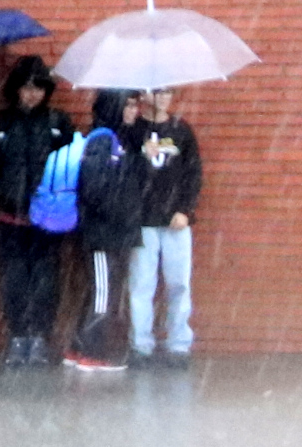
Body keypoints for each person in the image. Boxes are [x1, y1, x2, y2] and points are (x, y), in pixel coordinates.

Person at [0, 54, 69, 369]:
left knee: (45, 281)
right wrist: (1, 195)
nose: (32, 94)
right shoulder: (0, 124)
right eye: (26, 87)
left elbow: (69, 169)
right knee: (14, 281)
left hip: (48, 221)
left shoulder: (58, 124)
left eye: (38, 88)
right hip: (9, 218)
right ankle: (18, 336)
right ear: (16, 89)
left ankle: (40, 338)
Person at [125, 84, 205, 364]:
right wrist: (139, 156)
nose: (163, 97)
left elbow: (193, 174)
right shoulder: (133, 131)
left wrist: (184, 209)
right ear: (145, 95)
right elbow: (122, 173)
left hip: (175, 222)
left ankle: (178, 344)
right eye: (157, 92)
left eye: (168, 92)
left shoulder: (181, 131)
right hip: (143, 220)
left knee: (178, 283)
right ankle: (141, 344)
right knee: (141, 284)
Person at [64, 87, 140, 376]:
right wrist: (120, 214)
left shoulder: (116, 141)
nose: (134, 111)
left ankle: (78, 347)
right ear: (115, 108)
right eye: (129, 106)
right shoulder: (102, 142)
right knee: (103, 295)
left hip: (110, 234)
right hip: (103, 236)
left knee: (99, 292)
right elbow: (95, 190)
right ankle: (91, 353)